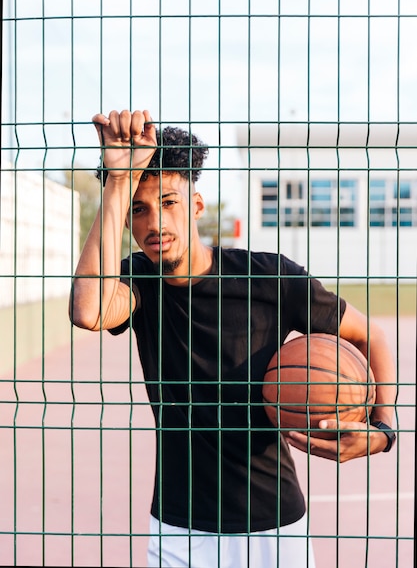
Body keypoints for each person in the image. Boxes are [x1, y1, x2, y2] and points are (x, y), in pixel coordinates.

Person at [69, 109, 397, 568]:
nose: (154, 223)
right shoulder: (136, 281)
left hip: (274, 521)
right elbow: (87, 311)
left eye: (169, 202)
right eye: (138, 210)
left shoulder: (268, 278)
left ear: (197, 206)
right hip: (179, 525)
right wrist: (118, 183)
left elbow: (372, 336)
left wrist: (383, 430)